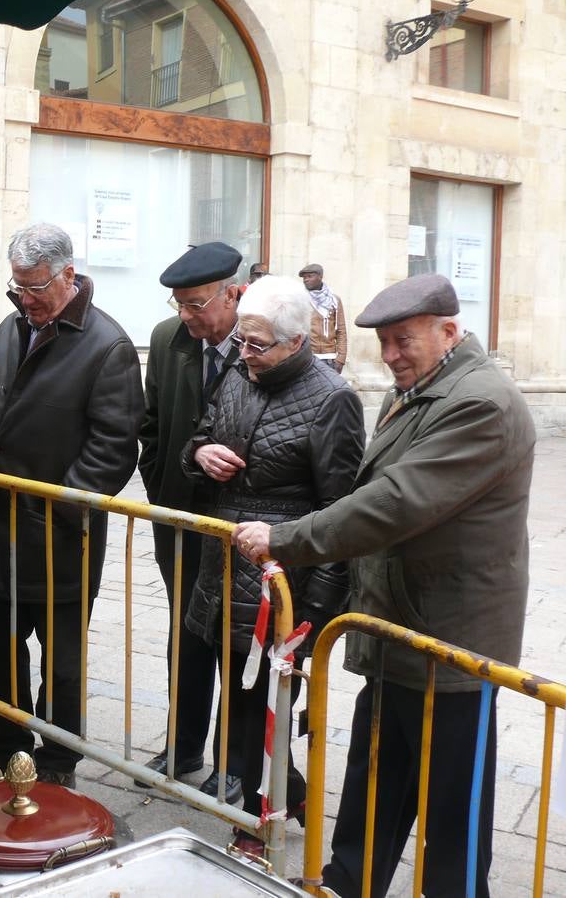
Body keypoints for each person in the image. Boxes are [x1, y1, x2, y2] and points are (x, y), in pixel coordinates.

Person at [235, 273, 535, 897]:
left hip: (452, 641)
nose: (391, 355)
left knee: (452, 803)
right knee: (377, 773)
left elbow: (394, 503)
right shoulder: (420, 388)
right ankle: (350, 881)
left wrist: (287, 538)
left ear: (450, 332)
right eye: (384, 343)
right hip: (396, 624)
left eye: (405, 340)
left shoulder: (482, 402)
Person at [0, 222, 143, 788]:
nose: (24, 300)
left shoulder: (108, 346)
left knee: (60, 664)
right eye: (18, 287)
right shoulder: (10, 328)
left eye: (35, 289)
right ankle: (3, 747)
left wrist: (54, 508)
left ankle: (56, 765)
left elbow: (113, 450)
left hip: (59, 538)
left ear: (68, 277)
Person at [181, 275, 364, 856]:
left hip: (282, 581)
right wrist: (199, 453)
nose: (244, 352)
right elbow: (202, 437)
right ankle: (276, 799)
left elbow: (342, 516)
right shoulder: (239, 369)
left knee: (263, 708)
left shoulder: (332, 397)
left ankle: (257, 827)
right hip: (222, 569)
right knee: (239, 702)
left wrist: (314, 611)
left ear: (295, 341)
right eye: (242, 340)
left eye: (258, 345)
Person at [136, 241, 245, 800]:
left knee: (237, 644)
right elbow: (151, 425)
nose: (186, 315)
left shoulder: (258, 341)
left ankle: (234, 760)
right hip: (178, 521)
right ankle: (182, 746)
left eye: (196, 304)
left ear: (234, 293)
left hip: (239, 527)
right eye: (179, 304)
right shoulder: (167, 338)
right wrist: (160, 486)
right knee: (187, 635)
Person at [299, 263, 347, 372]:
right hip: (308, 357)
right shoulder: (301, 299)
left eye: (310, 276)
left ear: (320, 277)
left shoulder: (334, 300)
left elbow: (341, 330)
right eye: (304, 277)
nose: (306, 280)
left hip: (330, 359)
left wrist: (341, 358)